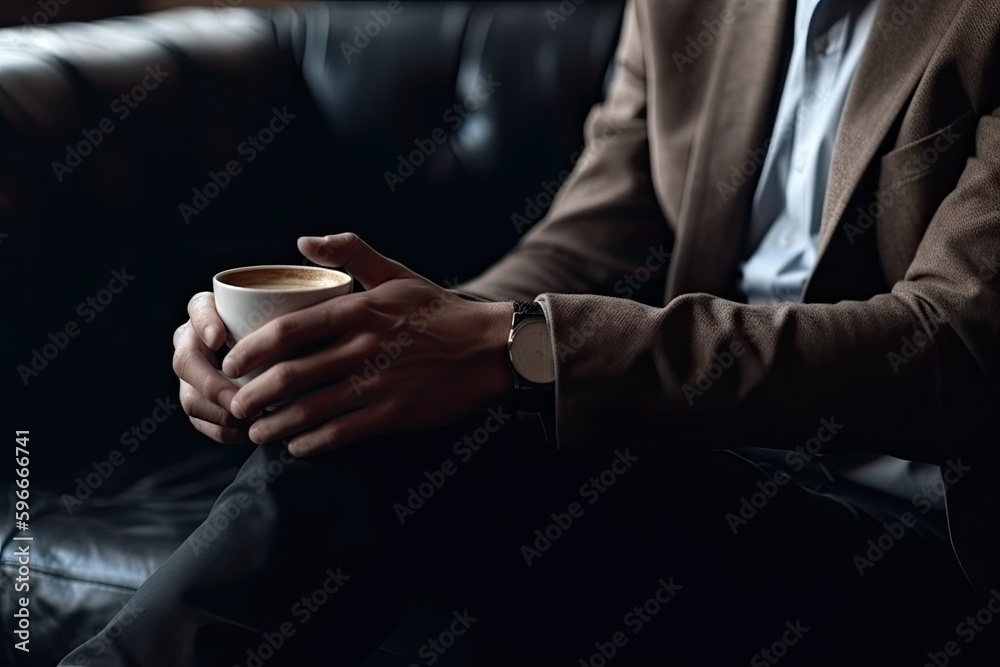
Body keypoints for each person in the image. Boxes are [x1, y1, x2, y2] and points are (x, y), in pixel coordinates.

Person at [63, 0, 1000, 664]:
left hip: (926, 536)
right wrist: (378, 341)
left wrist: (517, 347)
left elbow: (951, 347)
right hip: (708, 458)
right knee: (387, 413)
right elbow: (589, 241)